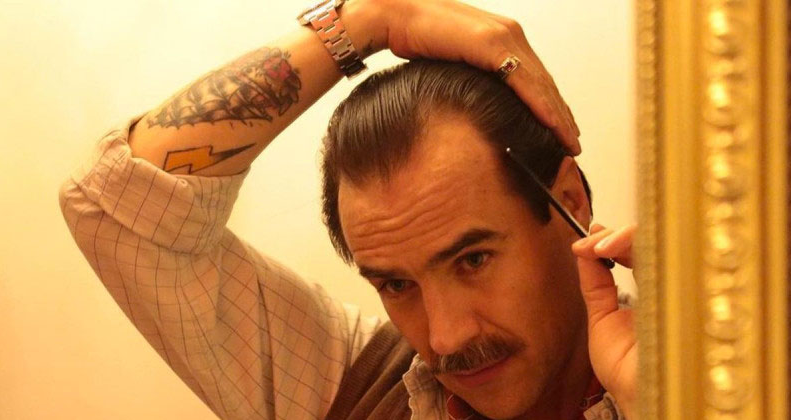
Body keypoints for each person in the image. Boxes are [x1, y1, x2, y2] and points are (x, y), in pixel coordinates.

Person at [59, 0, 636, 419]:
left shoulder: (684, 380)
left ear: (568, 204)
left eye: (473, 260)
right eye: (397, 285)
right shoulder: (355, 384)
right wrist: (368, 20)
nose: (445, 337)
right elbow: (116, 204)